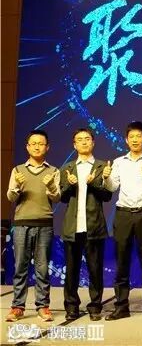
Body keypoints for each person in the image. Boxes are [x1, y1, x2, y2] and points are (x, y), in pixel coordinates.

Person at [104, 121, 142, 321]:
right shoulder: (119, 162)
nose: (135, 140)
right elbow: (112, 187)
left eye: (139, 136)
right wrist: (106, 178)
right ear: (126, 140)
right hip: (123, 214)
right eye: (131, 137)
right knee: (122, 261)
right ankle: (121, 306)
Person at [5, 130, 60, 323]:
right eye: (33, 143)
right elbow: (10, 197)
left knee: (42, 268)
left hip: (44, 224)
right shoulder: (18, 170)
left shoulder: (54, 171)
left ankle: (43, 306)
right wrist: (17, 187)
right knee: (20, 267)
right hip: (21, 224)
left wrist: (51, 186)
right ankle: (17, 307)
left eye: (41, 143)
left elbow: (57, 197)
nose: (37, 146)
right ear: (27, 147)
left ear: (47, 147)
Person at [60, 128, 113, 321]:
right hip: (72, 227)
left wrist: (95, 183)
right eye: (79, 139)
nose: (84, 142)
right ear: (74, 145)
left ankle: (95, 306)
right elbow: (62, 197)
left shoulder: (102, 166)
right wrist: (70, 184)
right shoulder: (67, 168)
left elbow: (107, 196)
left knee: (95, 269)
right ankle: (71, 306)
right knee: (71, 270)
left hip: (94, 225)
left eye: (87, 139)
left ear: (93, 142)